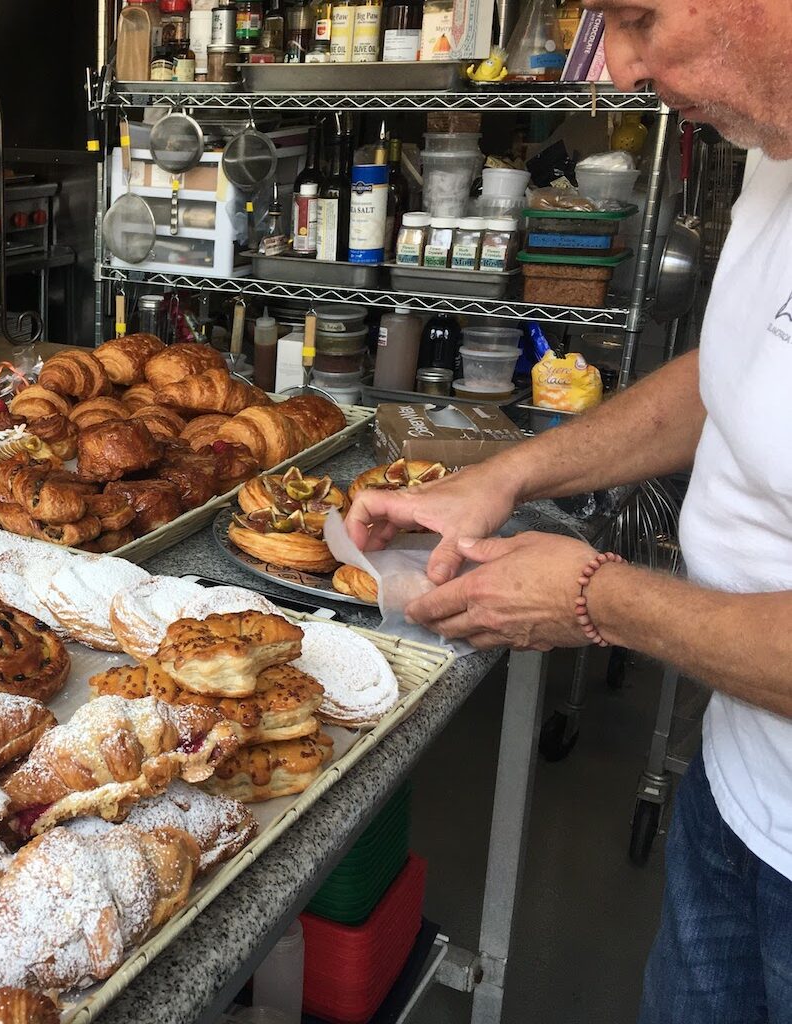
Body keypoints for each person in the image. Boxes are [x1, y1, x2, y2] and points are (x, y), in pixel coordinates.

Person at [345, 1, 792, 1019]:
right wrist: (509, 474)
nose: (622, 71)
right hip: (736, 794)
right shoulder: (776, 146)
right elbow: (727, 376)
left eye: (639, 18)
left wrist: (600, 598)